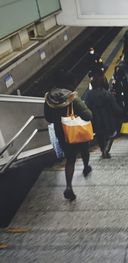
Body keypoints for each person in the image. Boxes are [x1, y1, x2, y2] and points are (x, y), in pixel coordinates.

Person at [44, 71, 92, 201]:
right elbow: (88, 115)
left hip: (61, 133)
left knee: (70, 159)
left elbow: (48, 118)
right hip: (76, 131)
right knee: (84, 149)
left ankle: (69, 187)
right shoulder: (73, 98)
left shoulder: (49, 98)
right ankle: (86, 167)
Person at [85, 71, 123, 159]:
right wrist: (121, 112)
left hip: (95, 119)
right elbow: (115, 107)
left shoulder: (89, 94)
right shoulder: (107, 94)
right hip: (108, 119)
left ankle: (103, 150)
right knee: (112, 133)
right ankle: (106, 150)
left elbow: (87, 106)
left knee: (99, 135)